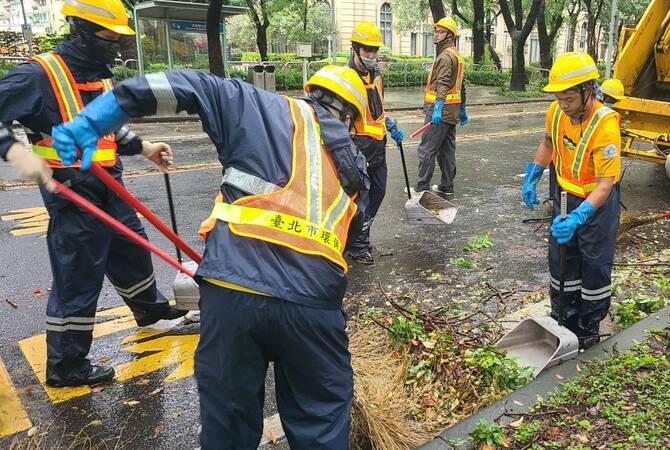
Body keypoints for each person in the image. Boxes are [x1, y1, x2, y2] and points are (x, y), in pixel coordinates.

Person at [51, 65, 369, 449]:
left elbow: (179, 84)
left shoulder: (256, 104)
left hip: (231, 292)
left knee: (228, 426)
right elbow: (348, 238)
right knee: (320, 418)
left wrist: (93, 120)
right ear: (350, 118)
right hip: (314, 307)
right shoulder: (356, 165)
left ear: (309, 93)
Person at [0, 0, 185, 388]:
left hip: (110, 184)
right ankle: (66, 366)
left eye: (120, 38)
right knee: (79, 275)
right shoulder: (39, 75)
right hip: (72, 192)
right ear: (81, 30)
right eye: (109, 36)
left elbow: (107, 130)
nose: (116, 45)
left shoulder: (98, 77)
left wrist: (144, 147)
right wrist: (15, 151)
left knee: (131, 247)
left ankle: (148, 309)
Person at [521, 52, 622, 349]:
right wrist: (535, 172)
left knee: (594, 264)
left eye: (568, 98)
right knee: (562, 259)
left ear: (587, 90)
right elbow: (548, 142)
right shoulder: (556, 111)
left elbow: (605, 185)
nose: (562, 104)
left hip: (596, 205)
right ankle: (563, 318)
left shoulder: (606, 125)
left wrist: (580, 217)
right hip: (565, 195)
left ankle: (588, 327)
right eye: (558, 97)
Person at [346, 21, 405, 265]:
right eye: (367, 50)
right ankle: (358, 247)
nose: (371, 55)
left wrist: (388, 123)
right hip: (358, 147)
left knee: (378, 192)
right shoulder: (347, 78)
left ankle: (359, 236)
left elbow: (375, 108)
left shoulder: (376, 74)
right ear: (355, 49)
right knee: (362, 198)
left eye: (374, 50)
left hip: (378, 146)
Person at [411, 16, 467, 197]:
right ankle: (447, 186)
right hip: (452, 112)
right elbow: (461, 85)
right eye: (436, 31)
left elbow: (443, 84)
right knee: (446, 151)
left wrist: (437, 108)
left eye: (440, 31)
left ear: (449, 35)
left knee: (427, 149)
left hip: (440, 112)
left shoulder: (445, 56)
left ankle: (421, 187)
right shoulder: (457, 56)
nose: (436, 34)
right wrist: (463, 109)